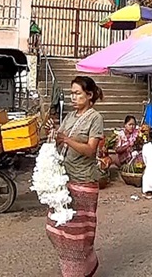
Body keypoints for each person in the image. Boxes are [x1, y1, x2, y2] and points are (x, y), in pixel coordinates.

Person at [49, 76, 105, 277]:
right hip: (64, 180)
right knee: (56, 229)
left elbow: (91, 150)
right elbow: (60, 141)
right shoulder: (70, 116)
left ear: (89, 96)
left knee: (79, 234)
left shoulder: (95, 118)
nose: (73, 97)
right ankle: (78, 268)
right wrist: (54, 137)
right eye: (71, 93)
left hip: (84, 180)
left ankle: (81, 271)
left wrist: (66, 139)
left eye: (77, 93)